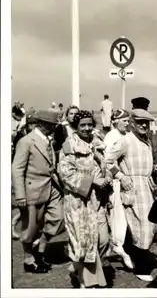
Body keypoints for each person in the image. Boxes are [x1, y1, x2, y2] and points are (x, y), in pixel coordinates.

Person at [57, 110, 112, 288]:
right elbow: (65, 174)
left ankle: (79, 267)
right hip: (78, 202)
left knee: (102, 240)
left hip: (98, 201)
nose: (87, 128)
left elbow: (106, 166)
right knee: (83, 242)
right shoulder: (69, 145)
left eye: (90, 124)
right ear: (76, 126)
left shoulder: (98, 144)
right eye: (83, 125)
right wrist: (92, 181)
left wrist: (108, 177)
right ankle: (86, 282)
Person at [105, 108, 157, 282]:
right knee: (142, 227)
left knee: (148, 225)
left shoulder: (146, 140)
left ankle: (134, 257)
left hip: (147, 187)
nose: (144, 125)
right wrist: (121, 176)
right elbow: (106, 160)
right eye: (140, 122)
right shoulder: (125, 141)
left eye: (147, 123)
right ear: (132, 123)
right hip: (133, 188)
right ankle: (141, 268)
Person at [12, 110, 64, 274]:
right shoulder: (26, 141)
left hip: (51, 187)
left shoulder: (49, 140)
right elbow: (17, 169)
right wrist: (20, 194)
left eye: (55, 125)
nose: (54, 128)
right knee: (30, 227)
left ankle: (39, 249)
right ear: (42, 124)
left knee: (59, 218)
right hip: (32, 190)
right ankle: (29, 260)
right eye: (51, 125)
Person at [103, 109, 133, 270]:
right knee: (118, 217)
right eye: (124, 121)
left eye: (128, 120)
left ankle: (112, 247)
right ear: (115, 121)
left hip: (125, 182)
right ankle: (118, 247)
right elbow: (106, 161)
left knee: (123, 217)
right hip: (115, 182)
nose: (127, 123)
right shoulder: (111, 137)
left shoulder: (124, 136)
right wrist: (120, 176)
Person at [12, 108, 38, 240]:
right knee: (25, 209)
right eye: (31, 123)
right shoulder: (22, 138)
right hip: (24, 177)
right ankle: (16, 227)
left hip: (33, 179)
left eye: (35, 123)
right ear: (27, 124)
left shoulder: (36, 138)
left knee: (30, 211)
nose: (34, 126)